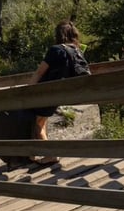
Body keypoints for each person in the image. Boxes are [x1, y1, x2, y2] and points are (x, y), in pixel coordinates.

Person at [22, 20, 89, 165]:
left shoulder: (56, 50)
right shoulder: (77, 50)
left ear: (59, 34)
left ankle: (50, 154)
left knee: (38, 123)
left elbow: (39, 72)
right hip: (63, 93)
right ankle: (35, 153)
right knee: (41, 120)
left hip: (47, 92)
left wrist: (26, 90)